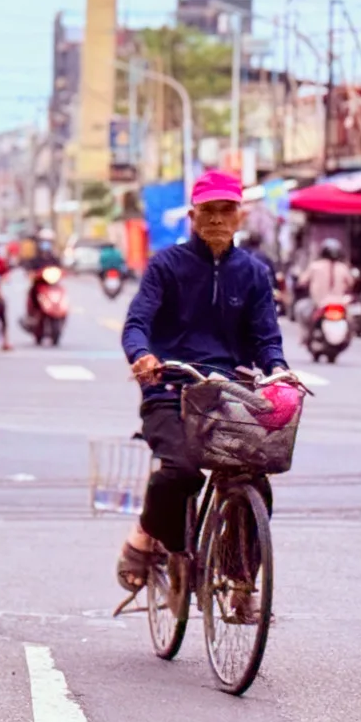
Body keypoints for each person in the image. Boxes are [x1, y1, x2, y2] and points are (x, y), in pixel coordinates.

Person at [116, 170, 286, 593]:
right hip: (169, 389)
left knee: (255, 482)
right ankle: (147, 534)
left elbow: (266, 338)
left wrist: (279, 370)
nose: (216, 219)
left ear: (240, 216)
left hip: (228, 394)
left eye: (226, 210)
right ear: (192, 216)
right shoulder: (165, 266)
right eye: (208, 210)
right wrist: (142, 355)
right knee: (182, 471)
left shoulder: (254, 273)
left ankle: (240, 577)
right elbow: (137, 323)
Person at [296, 238, 354, 324]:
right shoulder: (343, 267)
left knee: (300, 308)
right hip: (340, 303)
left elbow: (302, 281)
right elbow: (351, 283)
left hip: (319, 304)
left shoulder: (314, 266)